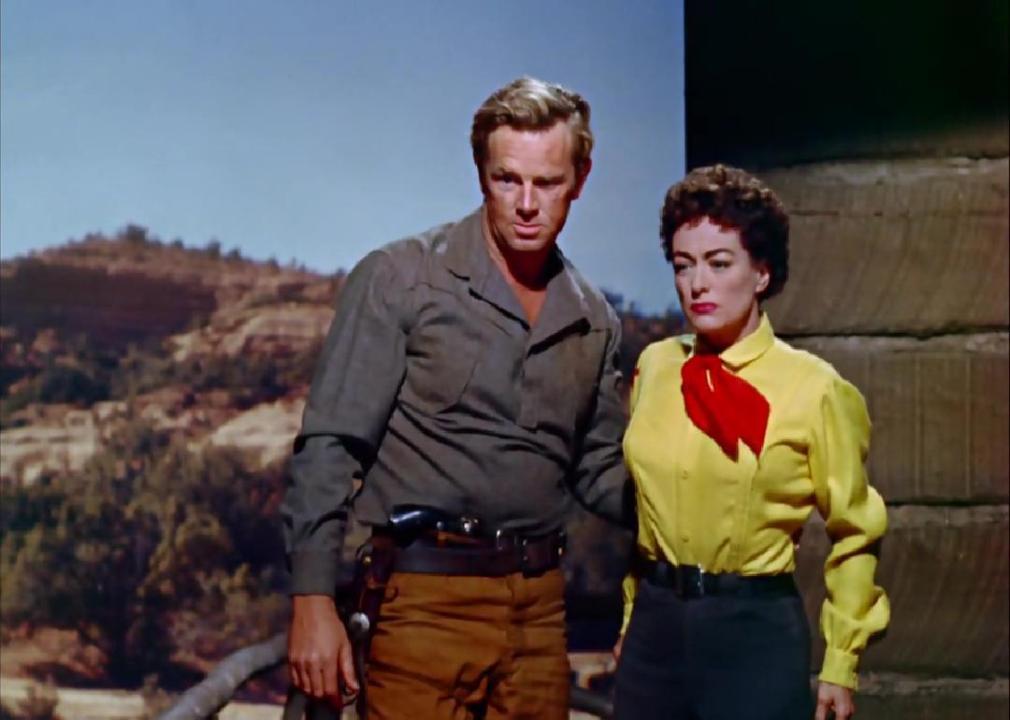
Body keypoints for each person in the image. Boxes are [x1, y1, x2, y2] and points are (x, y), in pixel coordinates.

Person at [281, 76, 631, 720]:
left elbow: (599, 469)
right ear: (480, 175)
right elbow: (329, 448)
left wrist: (697, 495)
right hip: (422, 600)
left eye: (548, 183)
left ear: (580, 180)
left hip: (540, 612)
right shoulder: (401, 278)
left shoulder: (594, 320)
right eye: (507, 180)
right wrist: (312, 602)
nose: (527, 204)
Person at [613, 164, 889, 720]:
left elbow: (856, 532)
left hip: (754, 634)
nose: (698, 283)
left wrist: (841, 662)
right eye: (683, 265)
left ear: (761, 273)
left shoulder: (815, 389)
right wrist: (630, 622)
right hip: (654, 630)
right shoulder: (655, 367)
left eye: (719, 263)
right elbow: (639, 516)